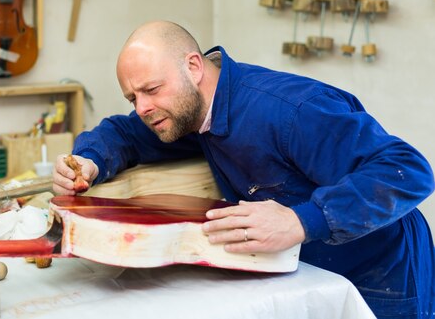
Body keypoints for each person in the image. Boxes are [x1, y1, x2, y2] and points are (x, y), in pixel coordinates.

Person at [52, 20, 435, 319]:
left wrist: (301, 221)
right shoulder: (190, 110)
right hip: (311, 269)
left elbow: (407, 169)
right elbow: (125, 132)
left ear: (193, 66)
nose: (142, 107)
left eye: (151, 89)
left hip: (381, 268)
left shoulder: (289, 111)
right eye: (132, 97)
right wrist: (89, 160)